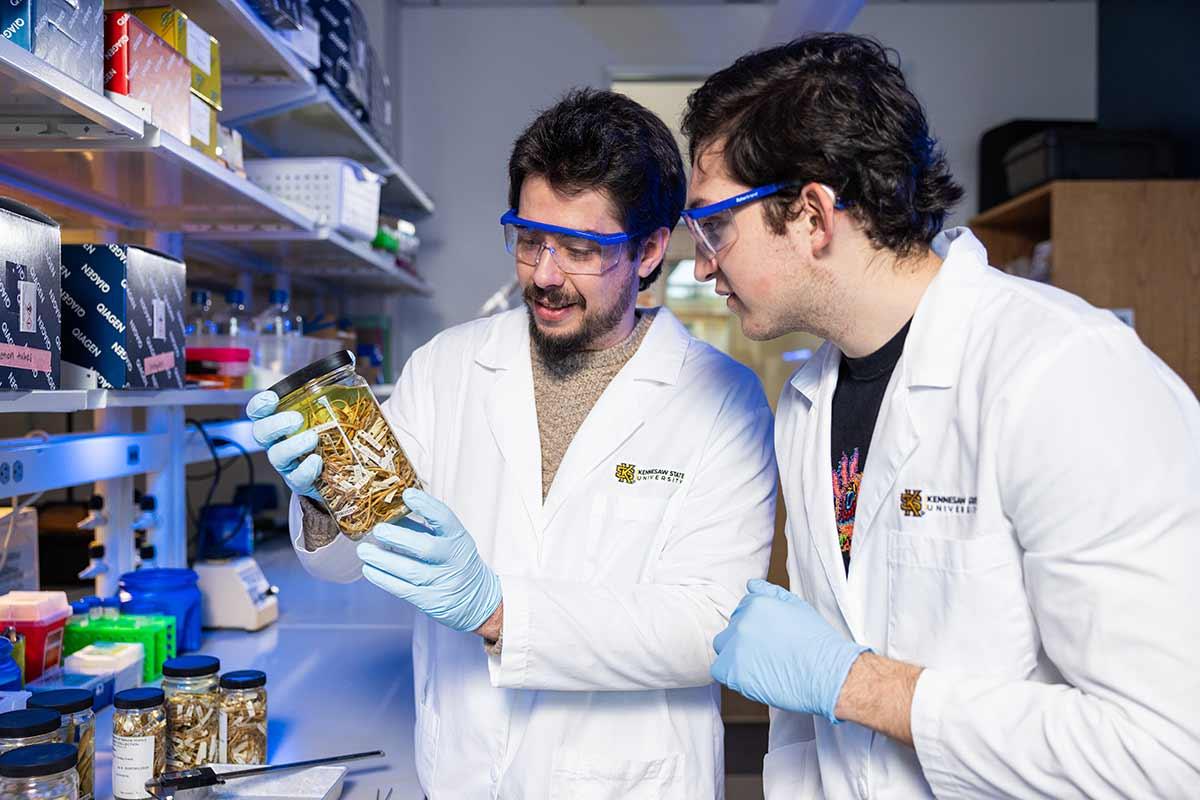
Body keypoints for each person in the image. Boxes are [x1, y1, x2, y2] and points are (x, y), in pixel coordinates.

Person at [679, 33, 1200, 799]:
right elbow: (808, 722)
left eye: (714, 224)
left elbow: (1169, 751)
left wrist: (860, 685)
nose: (702, 263)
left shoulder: (1064, 374)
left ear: (814, 215)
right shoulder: (809, 400)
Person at [246, 89, 778, 798]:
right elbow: (354, 556)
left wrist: (499, 610)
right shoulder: (447, 366)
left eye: (582, 249)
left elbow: (712, 625)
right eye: (529, 239)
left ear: (650, 250)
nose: (544, 274)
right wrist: (321, 496)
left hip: (631, 781)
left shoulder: (722, 399)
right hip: (464, 768)